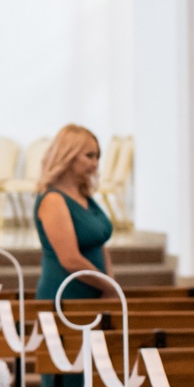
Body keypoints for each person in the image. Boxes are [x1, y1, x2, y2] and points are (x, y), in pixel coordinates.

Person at [34, 125, 113, 303]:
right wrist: (109, 286)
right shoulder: (53, 199)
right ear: (68, 156)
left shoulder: (83, 195)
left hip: (95, 293)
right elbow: (70, 260)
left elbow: (100, 242)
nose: (95, 163)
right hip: (65, 296)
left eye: (97, 157)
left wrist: (109, 280)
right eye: (89, 156)